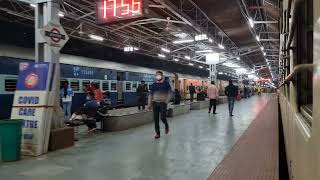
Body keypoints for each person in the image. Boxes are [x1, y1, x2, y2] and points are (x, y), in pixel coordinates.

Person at [148, 71, 172, 139]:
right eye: (156, 75)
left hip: (163, 103)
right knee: (156, 120)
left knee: (163, 117)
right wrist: (149, 104)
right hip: (155, 103)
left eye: (159, 75)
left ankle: (166, 125)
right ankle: (157, 134)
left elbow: (170, 93)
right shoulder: (153, 85)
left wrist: (166, 101)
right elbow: (150, 95)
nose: (158, 76)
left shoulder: (166, 84)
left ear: (162, 76)